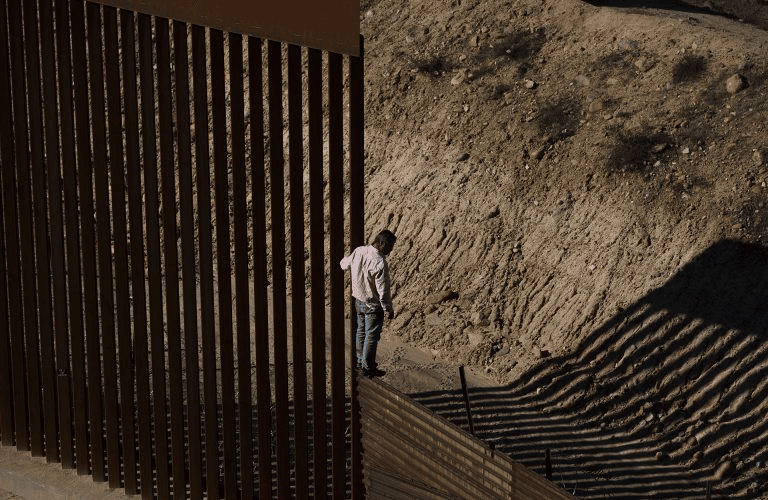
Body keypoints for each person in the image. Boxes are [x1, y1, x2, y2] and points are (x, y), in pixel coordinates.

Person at [340, 229, 396, 377]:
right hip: (372, 304)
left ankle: (360, 361)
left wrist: (341, 261)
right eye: (390, 246)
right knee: (371, 336)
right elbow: (383, 291)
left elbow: (345, 265)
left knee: (361, 331)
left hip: (358, 301)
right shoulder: (380, 262)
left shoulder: (359, 251)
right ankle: (368, 366)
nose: (391, 250)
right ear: (381, 243)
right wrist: (388, 309)